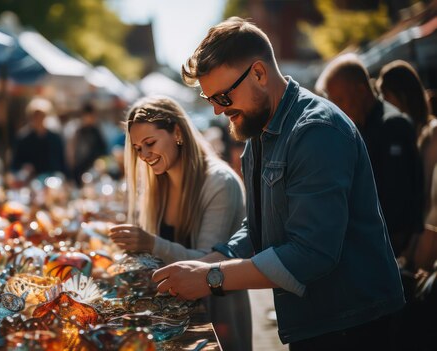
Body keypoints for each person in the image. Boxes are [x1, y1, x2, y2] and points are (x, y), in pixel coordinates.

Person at [152, 18, 405, 350]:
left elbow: (311, 253)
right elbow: (260, 226)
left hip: (353, 323)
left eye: (223, 97)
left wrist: (211, 278)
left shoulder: (315, 130)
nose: (216, 110)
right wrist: (209, 261)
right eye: (211, 99)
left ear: (259, 73)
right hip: (319, 322)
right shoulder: (261, 129)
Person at [109, 96, 251, 350]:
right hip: (170, 322)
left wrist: (150, 243)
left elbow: (206, 263)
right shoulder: (156, 183)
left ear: (177, 132)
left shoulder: (220, 183)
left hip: (216, 324)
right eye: (138, 148)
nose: (144, 155)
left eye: (150, 143)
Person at [316, 54, 423, 257]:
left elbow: (396, 203)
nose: (337, 108)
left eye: (340, 99)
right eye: (332, 102)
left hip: (391, 250)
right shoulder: (356, 128)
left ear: (361, 91)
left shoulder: (393, 125)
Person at [376, 60, 437, 270]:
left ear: (402, 94)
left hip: (424, 237)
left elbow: (426, 196)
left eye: (386, 95)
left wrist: (412, 250)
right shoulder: (400, 133)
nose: (384, 102)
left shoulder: (431, 133)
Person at [11, 97, 66, 177]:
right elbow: (15, 164)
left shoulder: (54, 138)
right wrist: (24, 167)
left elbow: (61, 163)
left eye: (41, 115)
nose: (38, 119)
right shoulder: (23, 138)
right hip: (29, 179)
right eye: (35, 116)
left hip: (51, 178)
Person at [70, 103, 107, 185]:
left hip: (93, 169)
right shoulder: (78, 132)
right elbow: (72, 152)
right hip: (79, 169)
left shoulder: (96, 132)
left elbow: (103, 152)